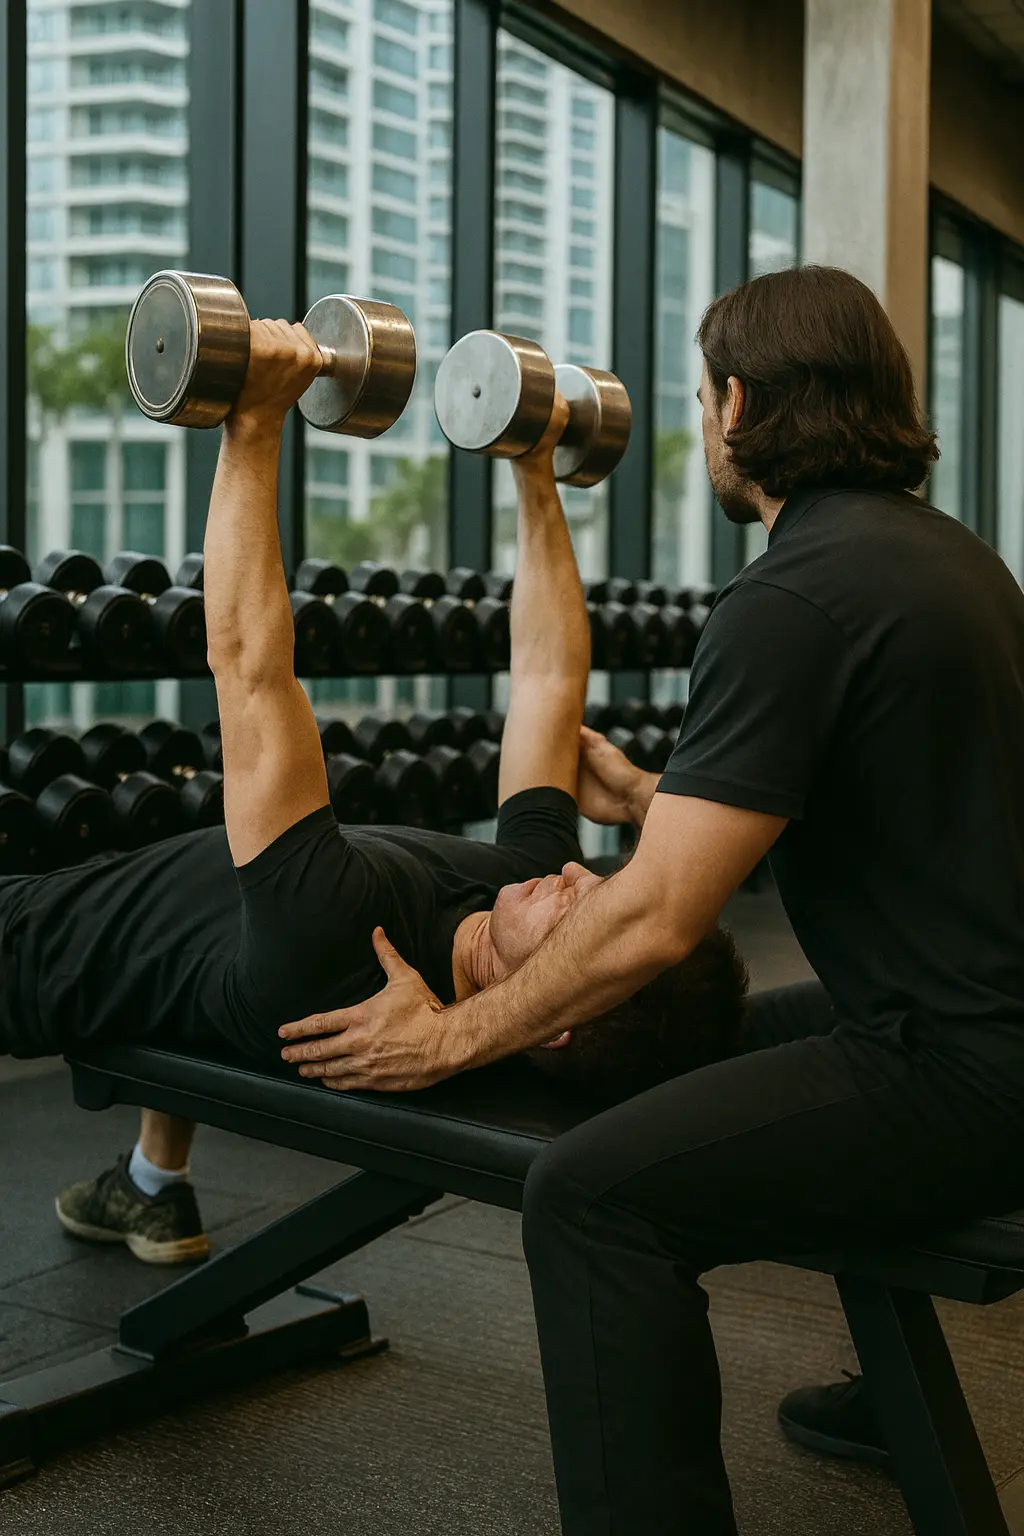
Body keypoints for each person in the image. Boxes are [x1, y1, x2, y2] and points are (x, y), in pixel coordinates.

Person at [279, 266, 1024, 1536]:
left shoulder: (786, 595)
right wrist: (657, 797)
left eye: (699, 395)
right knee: (693, 1048)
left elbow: (657, 922)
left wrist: (447, 1036)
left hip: (961, 1068)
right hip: (962, 1023)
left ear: (741, 403)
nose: (701, 421)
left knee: (591, 1198)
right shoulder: (946, 562)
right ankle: (887, 1391)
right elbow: (890, 791)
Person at [33, 319, 747, 1265]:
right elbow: (544, 677)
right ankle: (151, 1182)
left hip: (34, 942)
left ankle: (151, 1181)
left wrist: (254, 425)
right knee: (222, 915)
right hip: (178, 928)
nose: (576, 868)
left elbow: (248, 667)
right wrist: (535, 472)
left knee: (235, 904)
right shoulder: (523, 882)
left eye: (589, 906)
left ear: (562, 1012)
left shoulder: (342, 950)